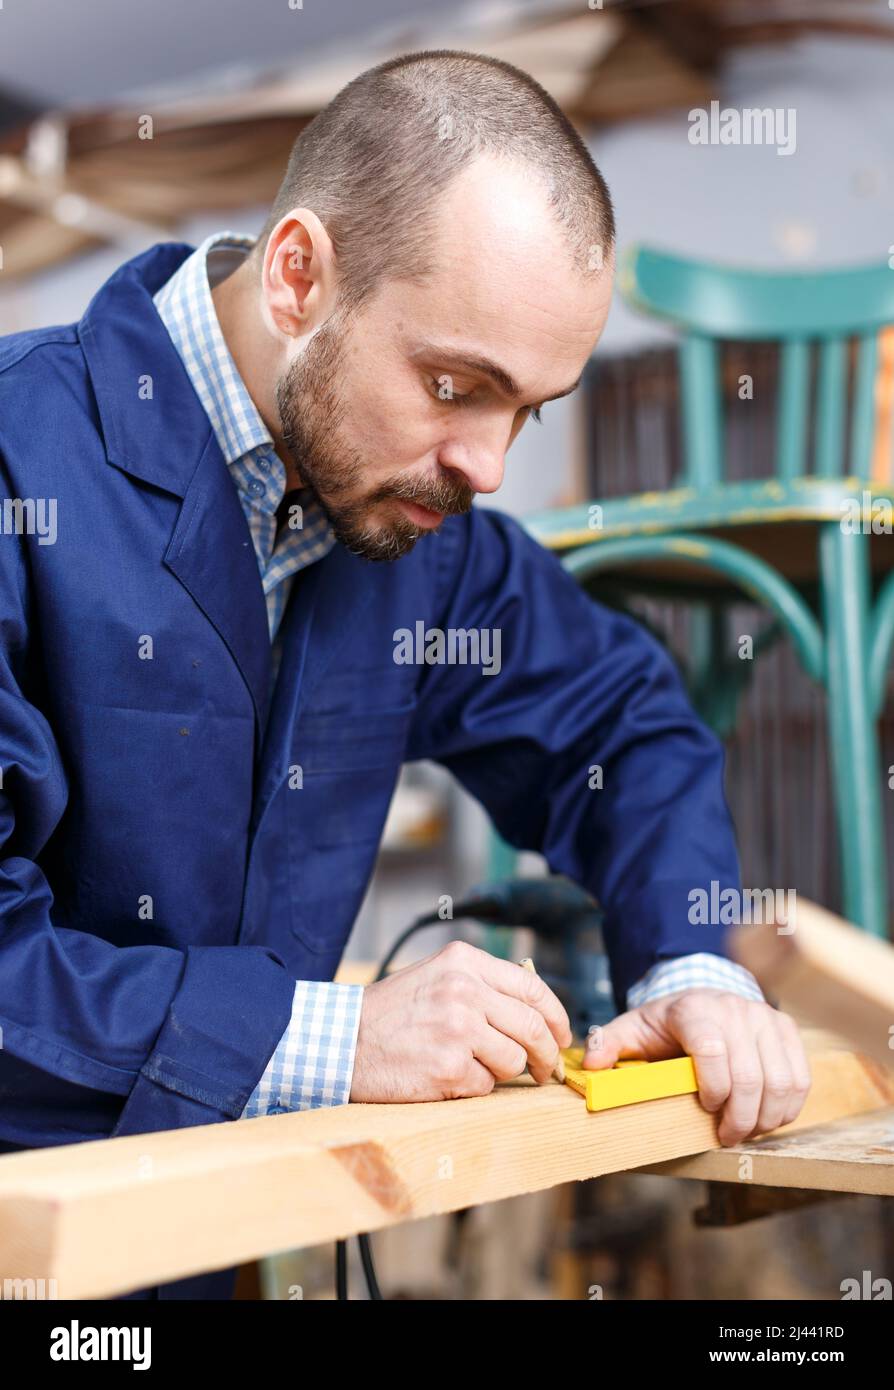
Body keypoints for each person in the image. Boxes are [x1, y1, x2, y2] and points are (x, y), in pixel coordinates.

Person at [0, 50, 809, 1299]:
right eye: (453, 386)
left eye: (529, 409)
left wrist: (689, 963)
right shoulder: (22, 470)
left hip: (199, 1262)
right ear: (297, 275)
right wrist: (333, 1036)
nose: (489, 468)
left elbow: (625, 718)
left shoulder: (415, 532)